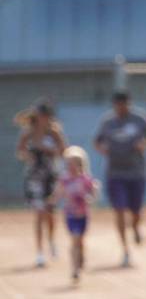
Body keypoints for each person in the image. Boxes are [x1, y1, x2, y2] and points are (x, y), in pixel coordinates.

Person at [94, 90, 146, 267]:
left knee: (136, 211)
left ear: (129, 104)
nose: (121, 108)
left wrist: (145, 144)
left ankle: (136, 226)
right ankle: (125, 250)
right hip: (115, 173)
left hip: (136, 172)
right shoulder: (108, 122)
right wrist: (102, 149)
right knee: (119, 209)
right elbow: (97, 141)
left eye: (124, 104)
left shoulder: (139, 119)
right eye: (118, 105)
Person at [15, 101, 66, 268]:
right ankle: (39, 252)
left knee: (50, 214)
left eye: (45, 115)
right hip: (34, 177)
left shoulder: (54, 132)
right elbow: (20, 151)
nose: (43, 118)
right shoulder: (28, 133)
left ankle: (51, 240)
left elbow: (63, 151)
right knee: (39, 213)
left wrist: (47, 149)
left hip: (50, 176)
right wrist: (28, 155)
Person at [52, 146, 99, 284]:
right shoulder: (64, 179)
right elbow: (58, 193)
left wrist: (91, 198)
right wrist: (52, 202)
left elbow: (93, 192)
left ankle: (81, 257)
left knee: (80, 240)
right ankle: (74, 269)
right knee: (74, 239)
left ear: (80, 165)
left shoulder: (85, 179)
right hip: (70, 214)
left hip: (83, 215)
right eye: (68, 164)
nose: (70, 167)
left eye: (73, 164)